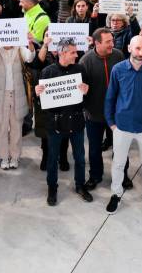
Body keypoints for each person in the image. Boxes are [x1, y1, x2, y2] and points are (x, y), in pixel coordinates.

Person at [104, 36, 142, 215]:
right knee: (118, 163)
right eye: (138, 49)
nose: (141, 53)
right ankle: (116, 194)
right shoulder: (118, 69)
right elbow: (110, 97)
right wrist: (111, 123)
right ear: (129, 48)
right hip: (121, 126)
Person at [36, 38, 92, 206]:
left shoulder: (80, 70)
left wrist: (87, 91)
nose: (76, 55)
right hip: (55, 124)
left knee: (80, 157)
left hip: (76, 122)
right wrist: (37, 94)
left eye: (76, 52)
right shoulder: (47, 72)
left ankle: (80, 185)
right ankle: (52, 187)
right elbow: (41, 103)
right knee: (53, 158)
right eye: (73, 52)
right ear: (61, 53)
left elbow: (87, 96)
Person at [80, 28, 125, 191]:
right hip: (95, 113)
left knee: (120, 147)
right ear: (97, 43)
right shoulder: (85, 61)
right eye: (108, 42)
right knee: (94, 148)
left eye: (112, 41)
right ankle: (95, 176)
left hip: (117, 114)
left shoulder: (118, 56)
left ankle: (122, 175)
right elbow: (81, 90)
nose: (112, 45)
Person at [0, 30, 36, 169]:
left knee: (16, 127)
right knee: (1, 128)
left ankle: (15, 156)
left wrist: (30, 43)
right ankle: (3, 156)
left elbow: (30, 57)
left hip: (17, 94)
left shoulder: (19, 48)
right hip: (0, 95)